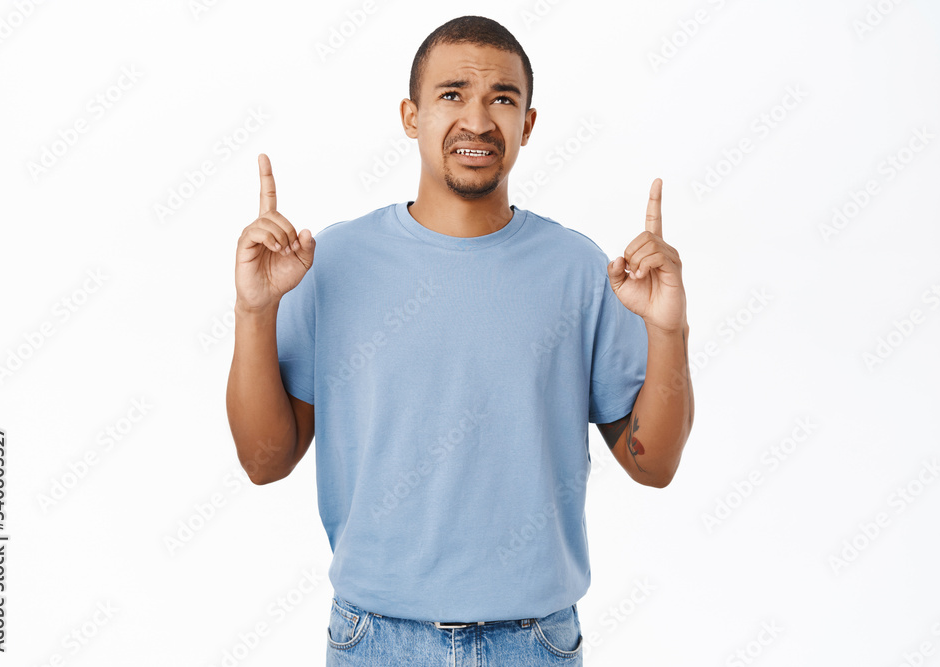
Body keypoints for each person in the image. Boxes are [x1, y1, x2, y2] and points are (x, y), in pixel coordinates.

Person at [225, 15, 694, 666]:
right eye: (452, 95)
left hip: (534, 642)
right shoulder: (330, 262)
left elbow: (654, 464)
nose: (477, 119)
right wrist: (254, 312)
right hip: (375, 640)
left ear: (527, 124)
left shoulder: (579, 270)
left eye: (502, 98)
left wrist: (669, 330)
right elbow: (263, 460)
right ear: (411, 116)